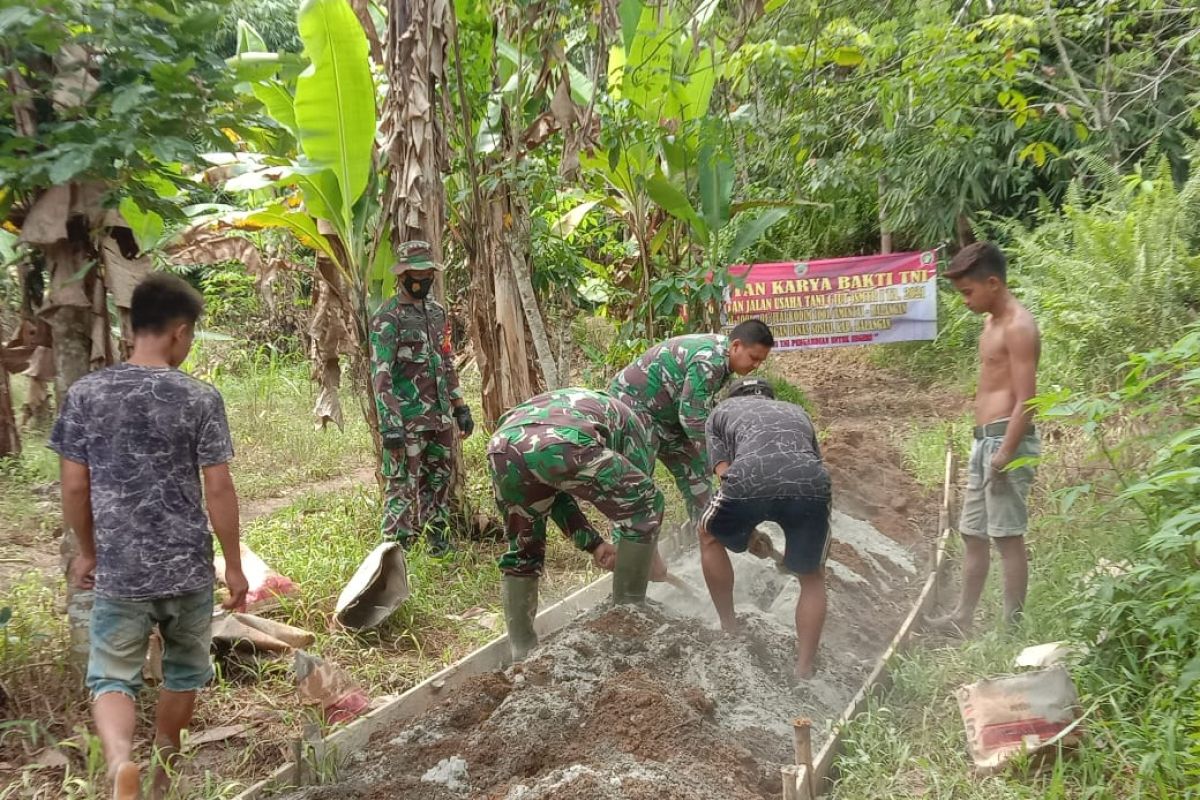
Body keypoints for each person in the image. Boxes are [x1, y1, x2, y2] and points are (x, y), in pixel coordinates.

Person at [50, 273, 248, 800]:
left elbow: (73, 484)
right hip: (185, 568)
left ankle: (119, 764)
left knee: (112, 677)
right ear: (179, 332)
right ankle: (160, 779)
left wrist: (87, 551)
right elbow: (219, 487)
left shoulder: (86, 394)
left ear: (133, 325)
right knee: (183, 673)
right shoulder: (199, 398)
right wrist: (233, 564)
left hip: (121, 570)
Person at [487, 388, 666, 659]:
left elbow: (550, 494)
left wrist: (594, 545)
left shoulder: (581, 405)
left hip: (503, 446)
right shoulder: (636, 429)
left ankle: (522, 650)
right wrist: (653, 559)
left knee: (525, 547)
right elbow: (638, 510)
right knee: (649, 502)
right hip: (563, 440)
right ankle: (629, 617)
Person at [927, 241, 1041, 635]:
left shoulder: (1019, 326)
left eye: (968, 292)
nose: (965, 302)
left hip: (1004, 443)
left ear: (993, 282)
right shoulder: (991, 324)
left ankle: (1012, 627)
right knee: (972, 532)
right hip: (984, 442)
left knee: (1007, 536)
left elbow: (1029, 400)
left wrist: (1006, 452)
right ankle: (963, 616)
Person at [698, 377, 833, 679]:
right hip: (811, 482)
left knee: (708, 533)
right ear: (770, 398)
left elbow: (726, 473)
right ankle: (804, 668)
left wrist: (745, 534)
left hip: (750, 479)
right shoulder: (798, 411)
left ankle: (729, 628)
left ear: (734, 397)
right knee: (812, 577)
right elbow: (802, 465)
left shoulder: (721, 411)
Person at [609, 319, 775, 527]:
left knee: (697, 471)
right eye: (754, 358)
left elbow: (700, 408)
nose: (756, 366)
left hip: (669, 412)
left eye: (761, 361)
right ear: (736, 346)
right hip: (634, 407)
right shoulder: (710, 361)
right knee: (638, 485)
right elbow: (692, 416)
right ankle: (625, 549)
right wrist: (721, 463)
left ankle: (703, 536)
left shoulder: (722, 357)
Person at [370, 241, 474, 556]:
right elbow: (381, 375)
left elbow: (445, 361)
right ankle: (395, 554)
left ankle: (438, 543)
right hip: (406, 421)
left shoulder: (437, 313)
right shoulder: (388, 317)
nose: (423, 280)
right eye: (417, 274)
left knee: (438, 484)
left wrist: (460, 406)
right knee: (401, 487)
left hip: (440, 418)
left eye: (428, 273)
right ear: (402, 276)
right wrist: (390, 425)